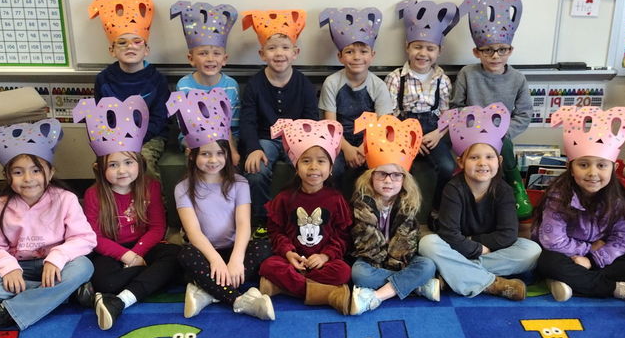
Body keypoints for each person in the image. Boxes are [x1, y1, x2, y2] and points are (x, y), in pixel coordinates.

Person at [0, 119, 95, 334]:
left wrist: (56, 258)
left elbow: (85, 238)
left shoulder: (66, 199)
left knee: (84, 266)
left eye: (36, 171)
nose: (28, 179)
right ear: (7, 176)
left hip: (58, 266)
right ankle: (69, 294)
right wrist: (8, 267)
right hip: (21, 269)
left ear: (50, 172)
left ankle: (7, 312)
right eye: (18, 172)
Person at [74, 95, 181, 330]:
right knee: (101, 279)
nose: (122, 170)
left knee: (175, 257)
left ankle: (122, 299)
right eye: (113, 165)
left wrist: (138, 253)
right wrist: (126, 256)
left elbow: (157, 227)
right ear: (100, 169)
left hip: (146, 247)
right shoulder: (94, 195)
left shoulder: (150, 186)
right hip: (112, 252)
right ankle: (147, 280)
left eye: (128, 163)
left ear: (139, 164)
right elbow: (95, 238)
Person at [533, 106, 625, 304]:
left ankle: (573, 282)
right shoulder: (558, 197)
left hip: (597, 258)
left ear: (614, 168)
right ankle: (615, 289)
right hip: (565, 255)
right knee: (548, 261)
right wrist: (586, 250)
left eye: (601, 165)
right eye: (583, 165)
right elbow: (553, 241)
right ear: (570, 168)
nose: (592, 173)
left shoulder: (617, 199)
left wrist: (592, 259)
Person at [170, 89, 274, 320]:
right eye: (205, 154)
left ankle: (207, 291)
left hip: (234, 250)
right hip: (205, 254)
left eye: (219, 153)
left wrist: (236, 259)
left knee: (264, 248)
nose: (213, 160)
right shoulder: (183, 188)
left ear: (227, 155)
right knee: (185, 254)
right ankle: (239, 299)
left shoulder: (239, 183)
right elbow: (193, 232)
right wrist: (215, 260)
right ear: (192, 156)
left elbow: (244, 224)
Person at [418, 104, 541, 299]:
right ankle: (491, 284)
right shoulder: (453, 188)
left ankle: (454, 275)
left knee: (532, 250)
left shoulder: (503, 190)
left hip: (472, 251)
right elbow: (448, 234)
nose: (482, 163)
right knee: (428, 243)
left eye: (489, 157)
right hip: (460, 247)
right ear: (461, 162)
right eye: (474, 157)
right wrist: (476, 248)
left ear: (498, 162)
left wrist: (472, 245)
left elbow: (508, 235)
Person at [258, 119, 353, 314]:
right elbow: (276, 232)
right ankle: (325, 294)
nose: (313, 167)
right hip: (293, 262)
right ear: (296, 165)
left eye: (321, 161)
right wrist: (288, 253)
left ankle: (280, 287)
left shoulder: (336, 199)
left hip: (322, 262)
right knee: (268, 265)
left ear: (331, 167)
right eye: (306, 160)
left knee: (344, 271)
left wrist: (325, 256)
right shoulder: (284, 198)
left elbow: (343, 236)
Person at [348, 113, 439, 314]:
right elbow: (365, 242)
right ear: (370, 176)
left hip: (402, 259)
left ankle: (376, 296)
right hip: (373, 260)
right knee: (358, 274)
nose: (388, 181)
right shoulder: (362, 203)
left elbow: (409, 240)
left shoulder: (407, 202)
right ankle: (415, 286)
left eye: (396, 175)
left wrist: (397, 263)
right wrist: (395, 269)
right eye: (382, 174)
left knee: (427, 265)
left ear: (404, 179)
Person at [452, 0, 533, 217]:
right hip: (470, 135)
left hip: (501, 138)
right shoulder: (468, 74)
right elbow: (456, 107)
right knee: (482, 151)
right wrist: (472, 132)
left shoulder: (517, 79)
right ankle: (463, 201)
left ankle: (514, 189)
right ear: (477, 52)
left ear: (511, 50)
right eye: (488, 50)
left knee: (503, 146)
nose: (495, 56)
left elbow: (524, 114)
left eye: (502, 49)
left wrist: (502, 133)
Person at [238, 9, 318, 228]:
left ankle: (303, 218)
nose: (279, 53)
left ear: (295, 52)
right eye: (272, 48)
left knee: (313, 169)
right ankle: (262, 221)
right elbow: (248, 121)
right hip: (266, 140)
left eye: (285, 48)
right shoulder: (255, 84)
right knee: (255, 172)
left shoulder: (303, 84)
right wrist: (253, 148)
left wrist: (307, 149)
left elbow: (311, 119)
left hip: (299, 140)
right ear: (262, 54)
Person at [385, 0, 458, 205]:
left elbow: (446, 114)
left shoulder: (442, 80)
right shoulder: (395, 77)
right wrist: (410, 140)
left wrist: (438, 134)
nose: (423, 53)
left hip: (432, 131)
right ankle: (398, 209)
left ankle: (437, 208)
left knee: (447, 166)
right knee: (395, 168)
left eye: (430, 48)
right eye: (417, 47)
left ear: (439, 51)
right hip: (402, 130)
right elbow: (390, 115)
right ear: (407, 47)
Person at [90, 0, 170, 177]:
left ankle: (154, 204)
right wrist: (116, 140)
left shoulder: (157, 79)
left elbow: (159, 118)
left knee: (144, 162)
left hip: (149, 137)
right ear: (112, 50)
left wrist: (135, 139)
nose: (130, 47)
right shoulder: (103, 79)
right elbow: (100, 117)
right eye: (122, 43)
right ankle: (112, 204)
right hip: (114, 137)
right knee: (105, 164)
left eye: (137, 42)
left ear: (147, 50)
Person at [318, 7, 394, 184]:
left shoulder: (379, 86)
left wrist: (362, 148)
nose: (357, 57)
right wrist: (346, 148)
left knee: (380, 169)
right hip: (338, 140)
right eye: (350, 51)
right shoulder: (331, 82)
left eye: (363, 51)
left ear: (372, 55)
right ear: (340, 56)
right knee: (332, 170)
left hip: (370, 141)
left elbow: (383, 125)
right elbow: (330, 124)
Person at [171, 0, 242, 165]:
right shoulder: (184, 85)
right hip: (192, 135)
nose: (210, 59)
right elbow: (184, 123)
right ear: (191, 59)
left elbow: (233, 123)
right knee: (198, 157)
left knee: (224, 156)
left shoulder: (231, 85)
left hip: (226, 137)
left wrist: (232, 149)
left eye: (216, 53)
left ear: (224, 59)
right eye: (203, 53)